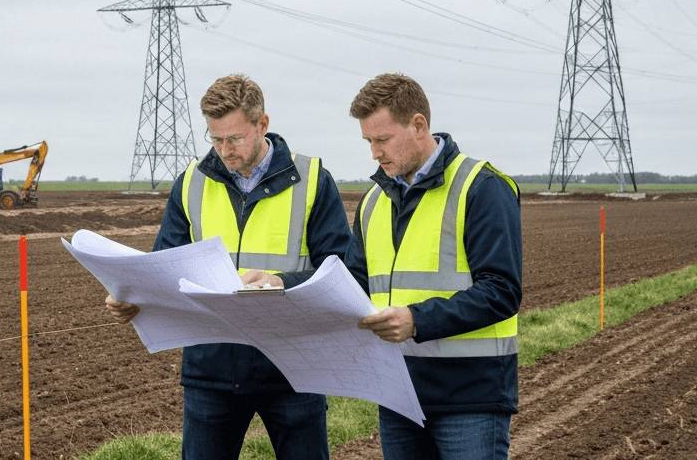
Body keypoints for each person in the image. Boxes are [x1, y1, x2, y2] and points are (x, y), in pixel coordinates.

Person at [105, 74, 352, 460]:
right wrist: (136, 297)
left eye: (234, 138)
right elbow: (164, 266)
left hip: (293, 370)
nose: (224, 149)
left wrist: (280, 282)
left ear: (262, 124)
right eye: (215, 138)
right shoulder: (191, 182)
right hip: (211, 372)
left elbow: (341, 271)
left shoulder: (312, 181)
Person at [345, 73, 522, 459]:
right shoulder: (373, 201)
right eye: (368, 141)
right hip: (398, 395)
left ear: (419, 125)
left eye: (382, 139)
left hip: (470, 398)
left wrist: (417, 320)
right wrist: (286, 289)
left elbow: (501, 291)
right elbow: (353, 283)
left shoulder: (482, 187)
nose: (374, 153)